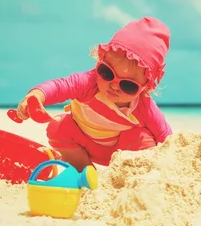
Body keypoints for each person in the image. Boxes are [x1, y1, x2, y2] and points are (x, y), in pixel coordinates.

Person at [15, 17, 173, 171]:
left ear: (146, 87)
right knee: (58, 126)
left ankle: (132, 178)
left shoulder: (143, 107)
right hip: (83, 145)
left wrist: (172, 166)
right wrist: (38, 95)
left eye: (128, 85)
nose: (114, 86)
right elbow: (59, 86)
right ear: (100, 61)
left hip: (122, 152)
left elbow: (167, 139)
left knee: (143, 138)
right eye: (107, 73)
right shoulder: (89, 84)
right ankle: (85, 174)